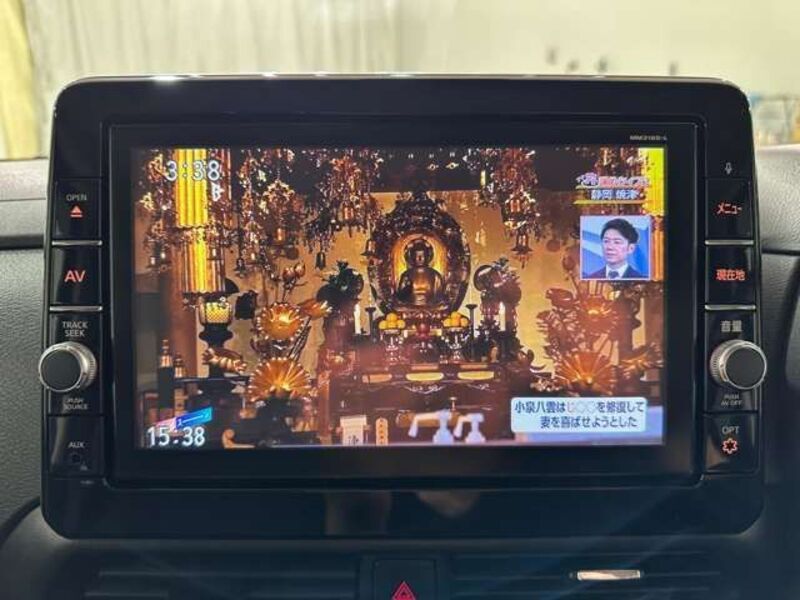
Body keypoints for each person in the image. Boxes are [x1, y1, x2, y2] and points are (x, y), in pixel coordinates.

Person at [396, 237, 445, 306]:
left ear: (428, 256)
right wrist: (406, 288)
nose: (420, 258)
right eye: (416, 256)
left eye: (422, 255)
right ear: (411, 257)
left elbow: (439, 297)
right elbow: (401, 297)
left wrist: (434, 303)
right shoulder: (406, 275)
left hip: (430, 307)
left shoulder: (435, 275)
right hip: (410, 307)